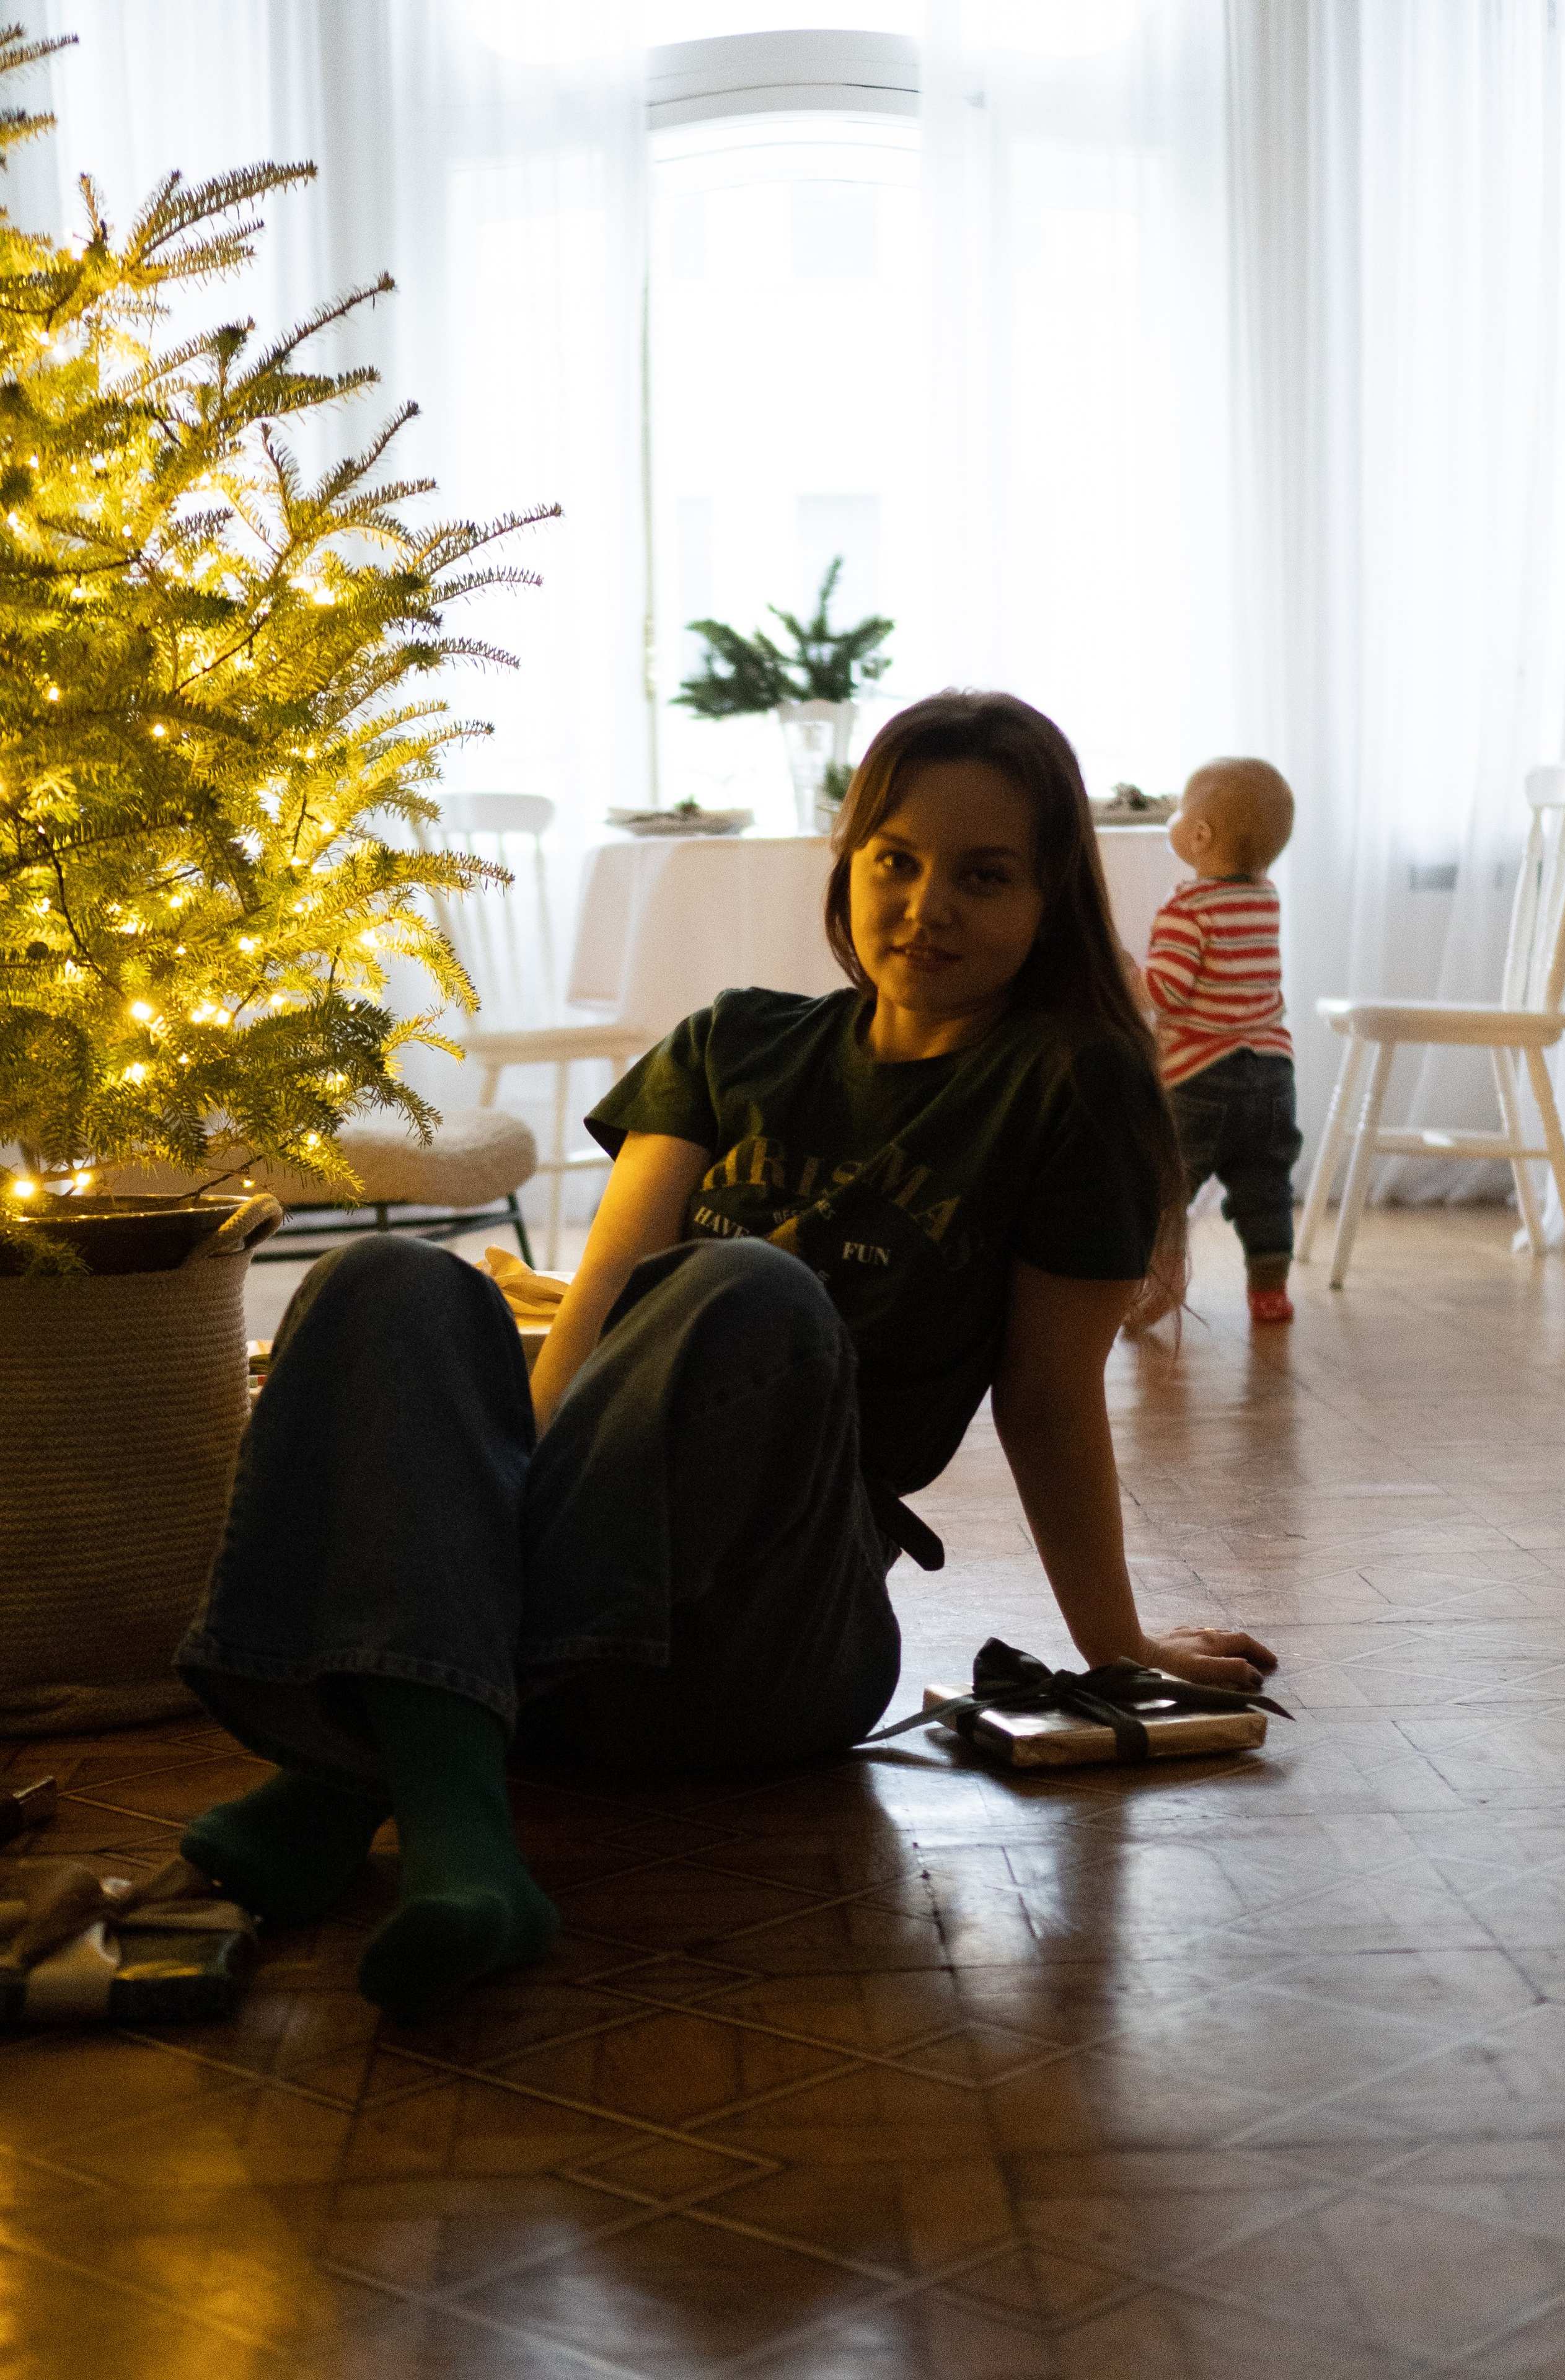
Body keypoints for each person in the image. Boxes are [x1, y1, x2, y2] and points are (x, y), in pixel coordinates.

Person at [176, 692, 1277, 2023]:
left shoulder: (1070, 1086)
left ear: (1050, 900)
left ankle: (362, 1772)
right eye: (897, 861)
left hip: (767, 1638)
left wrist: (1113, 1644)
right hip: (579, 1651)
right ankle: (453, 1807)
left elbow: (1045, 1403)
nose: (927, 905)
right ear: (848, 857)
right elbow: (585, 1329)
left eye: (983, 878)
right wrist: (482, 1518)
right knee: (388, 1282)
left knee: (748, 1289)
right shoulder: (730, 1044)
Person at [1142, 757, 1301, 1324]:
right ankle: (1269, 1292)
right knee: (1265, 1182)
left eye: (1181, 810)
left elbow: (1167, 991)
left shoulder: (1188, 908)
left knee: (1166, 1184)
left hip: (1199, 1076)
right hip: (1272, 1075)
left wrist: (1120, 975)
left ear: (1200, 834)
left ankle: (1154, 1282)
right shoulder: (1265, 897)